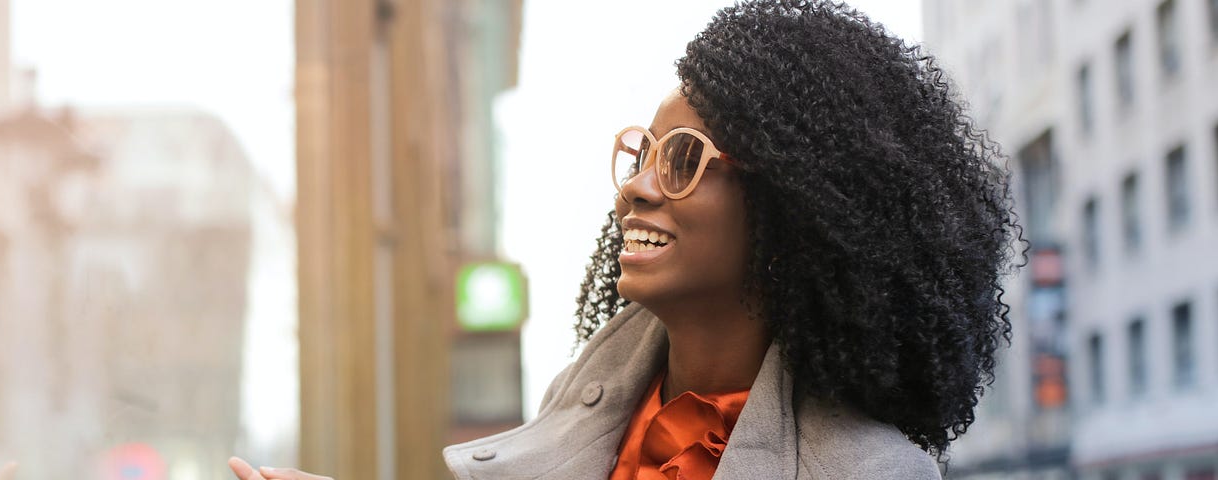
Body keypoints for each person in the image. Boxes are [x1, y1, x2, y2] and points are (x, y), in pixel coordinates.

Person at [230, 0, 1021, 478]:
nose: (636, 187)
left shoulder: (867, 471)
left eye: (681, 161)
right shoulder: (581, 404)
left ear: (792, 209)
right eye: (641, 154)